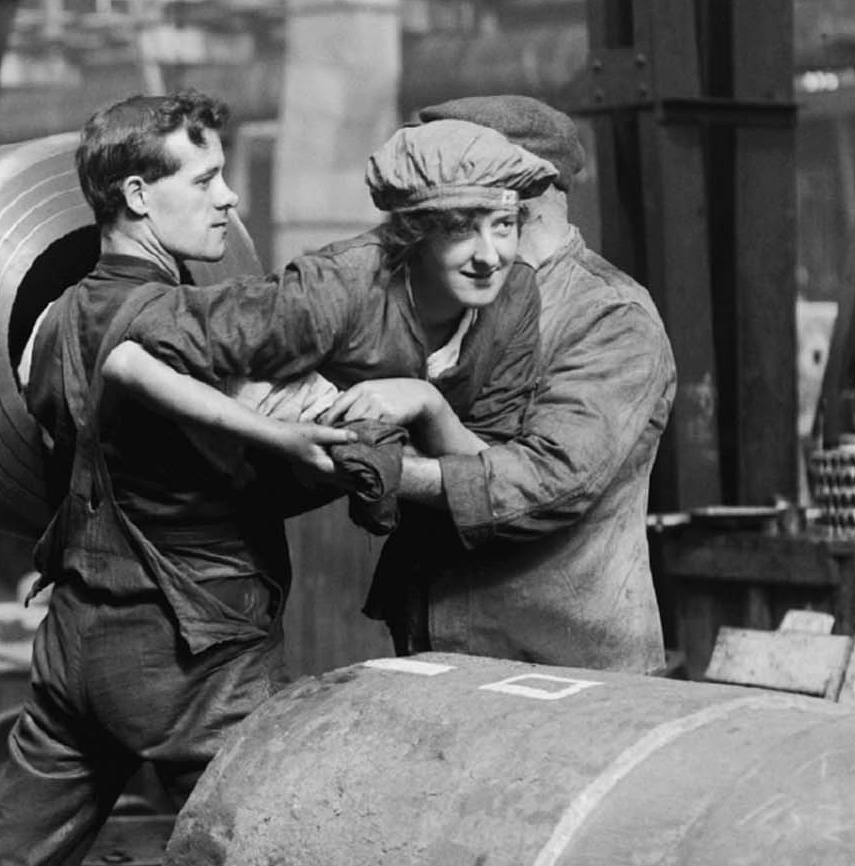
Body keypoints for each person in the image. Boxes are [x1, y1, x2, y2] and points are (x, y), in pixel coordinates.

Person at [0, 95, 550, 866]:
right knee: (271, 854)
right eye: (209, 177)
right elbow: (140, 371)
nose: (228, 197)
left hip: (77, 635)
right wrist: (338, 432)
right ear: (140, 197)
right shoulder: (158, 318)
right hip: (190, 646)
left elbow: (114, 391)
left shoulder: (51, 318)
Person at [102, 116, 560, 654]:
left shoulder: (514, 296)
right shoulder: (333, 290)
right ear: (414, 233)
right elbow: (143, 333)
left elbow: (494, 473)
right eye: (462, 229)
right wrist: (281, 420)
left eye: (503, 226)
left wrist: (427, 404)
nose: (490, 256)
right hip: (198, 530)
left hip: (435, 555)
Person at [379, 94, 673, 672]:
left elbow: (549, 482)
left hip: (565, 673)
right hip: (442, 658)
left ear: (521, 185)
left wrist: (395, 469)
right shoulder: (451, 300)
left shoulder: (608, 315)